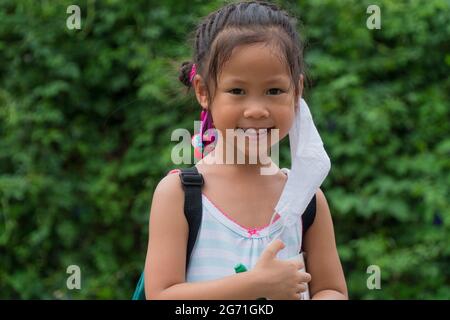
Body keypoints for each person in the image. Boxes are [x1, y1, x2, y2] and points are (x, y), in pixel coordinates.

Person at [144, 0, 348, 300]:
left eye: (274, 91)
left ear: (297, 91)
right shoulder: (179, 194)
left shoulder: (306, 197)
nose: (256, 110)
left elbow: (331, 289)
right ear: (204, 92)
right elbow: (162, 296)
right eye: (237, 91)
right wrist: (254, 286)